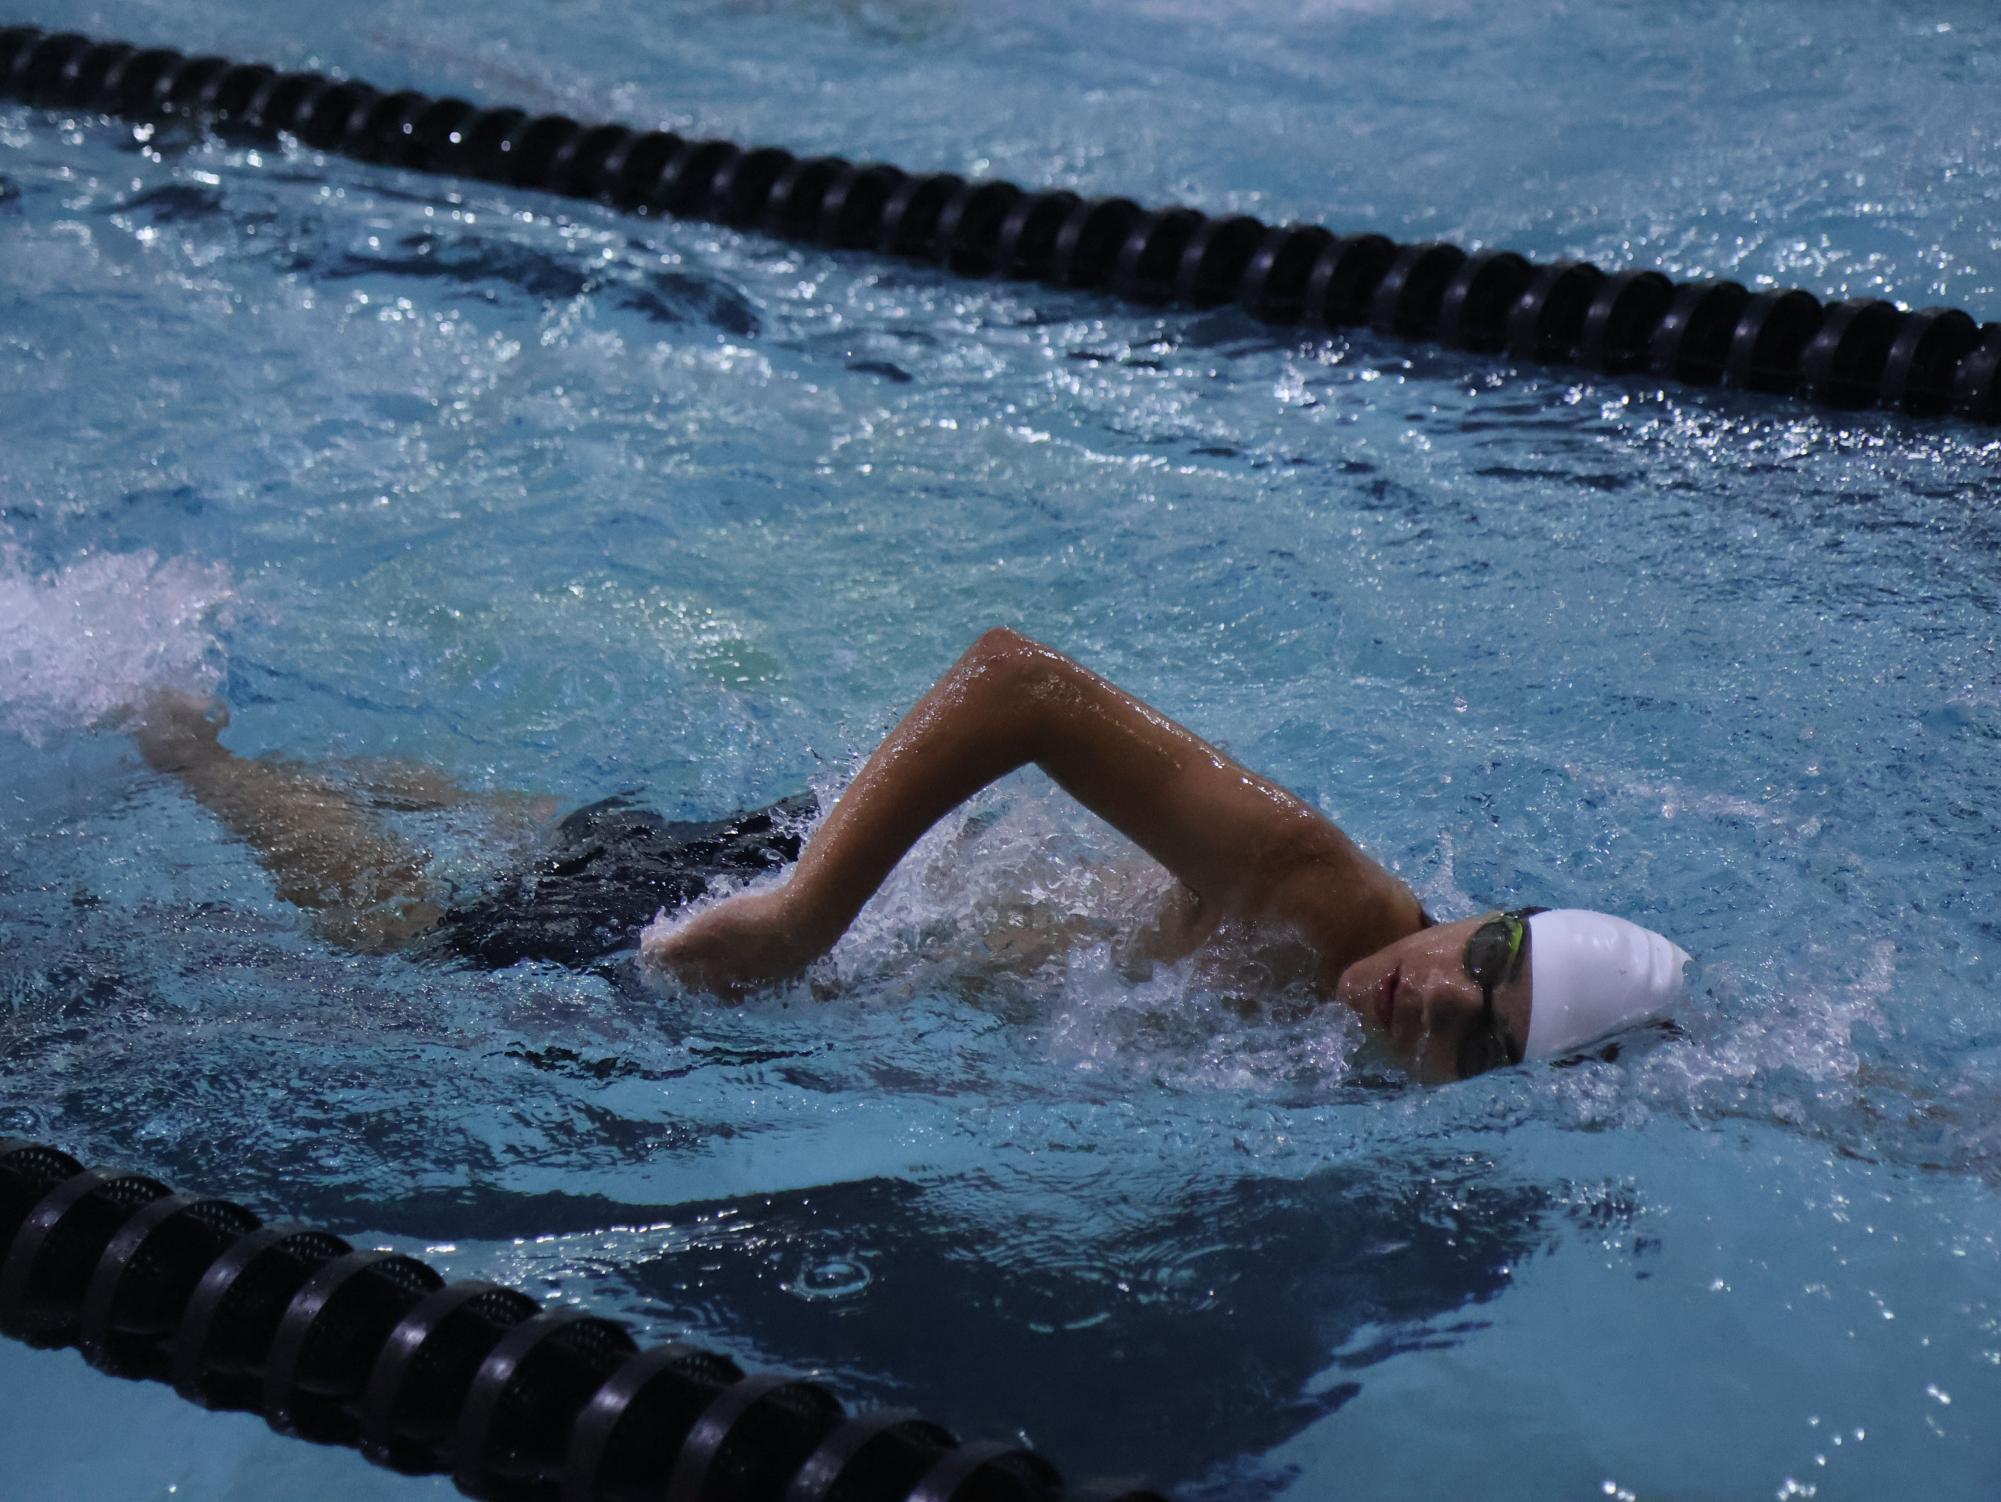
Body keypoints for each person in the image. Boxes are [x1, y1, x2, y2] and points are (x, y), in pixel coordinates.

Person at [132, 627, 1689, 1082]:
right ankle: (178, 746)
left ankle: (237, 732)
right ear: (1485, 912)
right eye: (1483, 964)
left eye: (1479, 1049)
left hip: (832, 874)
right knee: (404, 947)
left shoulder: (1345, 1030)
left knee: (538, 846)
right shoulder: (1326, 893)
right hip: (825, 906)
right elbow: (1015, 678)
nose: (1433, 1005)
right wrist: (801, 923)